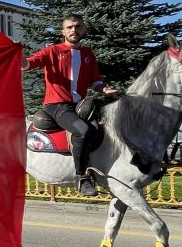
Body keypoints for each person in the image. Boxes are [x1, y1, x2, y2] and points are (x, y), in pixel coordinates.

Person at [23, 15, 118, 197]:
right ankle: (81, 178)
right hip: (57, 106)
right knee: (83, 131)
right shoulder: (51, 51)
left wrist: (105, 89)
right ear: (63, 31)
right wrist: (19, 56)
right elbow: (29, 64)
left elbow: (95, 81)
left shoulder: (88, 54)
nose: (74, 30)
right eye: (69, 27)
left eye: (78, 26)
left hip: (79, 105)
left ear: (84, 30)